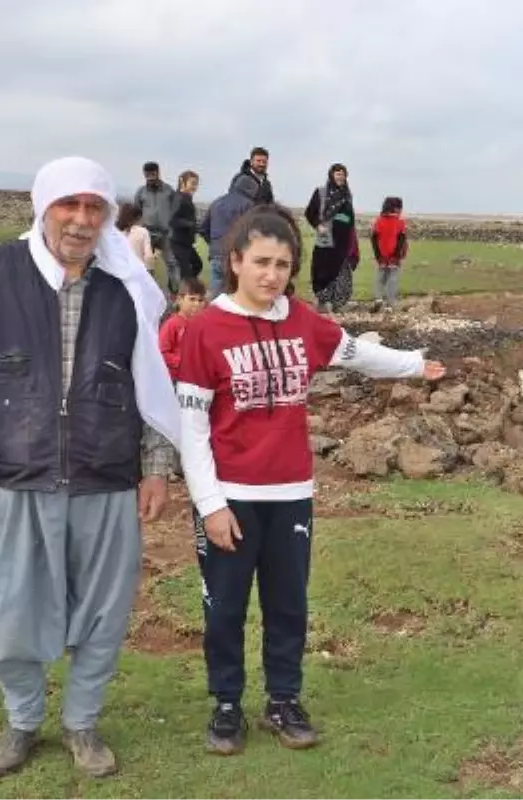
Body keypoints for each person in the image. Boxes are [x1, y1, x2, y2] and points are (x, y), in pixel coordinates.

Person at [177, 204, 446, 756]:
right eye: (260, 262)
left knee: (287, 605)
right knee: (224, 607)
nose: (271, 275)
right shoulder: (205, 330)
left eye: (282, 263)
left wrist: (414, 364)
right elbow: (192, 426)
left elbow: (356, 354)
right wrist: (210, 504)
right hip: (230, 498)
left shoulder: (302, 320)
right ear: (235, 261)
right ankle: (227, 705)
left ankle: (283, 699)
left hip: (291, 494)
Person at [0, 155, 180, 780]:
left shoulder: (125, 285)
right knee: (11, 612)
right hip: (23, 476)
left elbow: (153, 385)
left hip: (107, 475)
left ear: (106, 216)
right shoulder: (1, 270)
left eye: (93, 207)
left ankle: (82, 723)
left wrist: (157, 466)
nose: (81, 219)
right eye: (68, 205)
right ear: (43, 207)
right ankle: (22, 721)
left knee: (103, 613)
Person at [304, 164, 356, 313]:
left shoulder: (347, 195)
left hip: (343, 239)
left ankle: (335, 302)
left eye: (343, 174)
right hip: (326, 238)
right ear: (331, 175)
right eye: (338, 174)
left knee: (339, 269)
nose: (341, 177)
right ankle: (322, 300)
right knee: (322, 268)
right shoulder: (321, 192)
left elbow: (350, 217)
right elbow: (310, 212)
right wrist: (318, 225)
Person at [199, 174, 260, 296]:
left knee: (216, 290)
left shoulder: (216, 202)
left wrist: (214, 243)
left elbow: (202, 228)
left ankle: (213, 313)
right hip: (237, 254)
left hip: (216, 254)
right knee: (235, 292)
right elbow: (253, 232)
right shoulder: (249, 205)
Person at [133, 161, 179, 292]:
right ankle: (148, 292)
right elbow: (136, 213)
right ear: (144, 175)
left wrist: (173, 230)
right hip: (147, 234)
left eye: (153, 174)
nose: (150, 178)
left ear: (158, 173)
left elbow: (176, 211)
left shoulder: (169, 191)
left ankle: (175, 293)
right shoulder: (141, 192)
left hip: (166, 234)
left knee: (172, 263)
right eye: (147, 175)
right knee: (146, 265)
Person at [159, 276, 207, 382]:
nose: (197, 304)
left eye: (200, 300)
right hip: (176, 380)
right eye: (192, 299)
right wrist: (182, 361)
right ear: (180, 300)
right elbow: (162, 352)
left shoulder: (204, 324)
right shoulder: (172, 324)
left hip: (198, 378)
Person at [370, 196, 408, 312]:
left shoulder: (379, 221)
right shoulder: (400, 222)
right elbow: (401, 239)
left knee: (380, 278)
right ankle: (389, 304)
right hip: (394, 257)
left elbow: (374, 238)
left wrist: (378, 255)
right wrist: (397, 255)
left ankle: (378, 298)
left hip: (382, 256)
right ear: (396, 208)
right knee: (392, 279)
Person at [169, 170, 203, 282]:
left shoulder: (187, 197)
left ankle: (189, 289)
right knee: (186, 274)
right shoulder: (179, 198)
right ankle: (185, 292)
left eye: (196, 183)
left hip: (187, 243)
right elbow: (172, 220)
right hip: (178, 243)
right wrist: (190, 224)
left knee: (197, 265)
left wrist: (196, 227)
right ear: (182, 182)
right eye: (192, 183)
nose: (195, 186)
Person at [117, 202, 156, 276]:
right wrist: (150, 271)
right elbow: (148, 256)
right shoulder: (143, 232)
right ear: (138, 218)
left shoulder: (115, 233)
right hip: (138, 272)